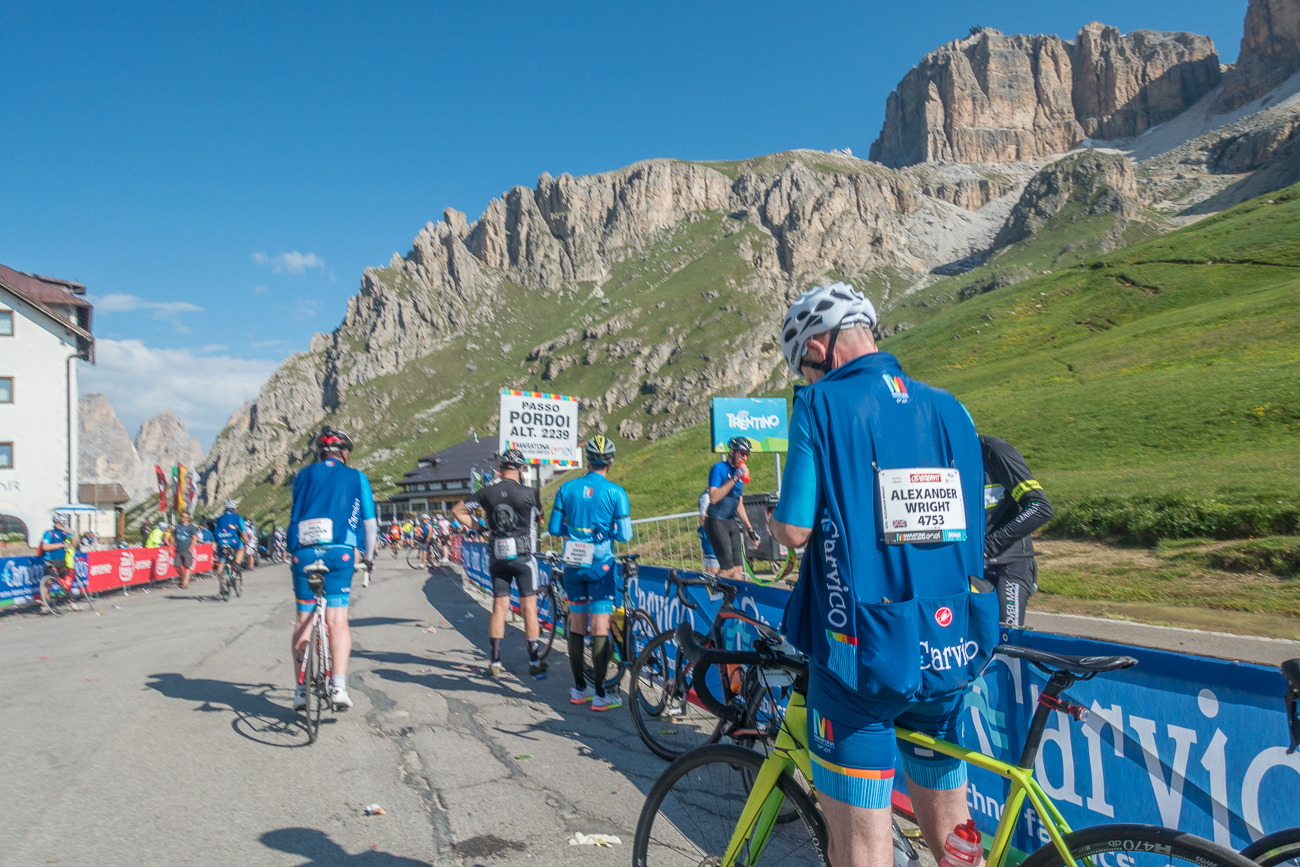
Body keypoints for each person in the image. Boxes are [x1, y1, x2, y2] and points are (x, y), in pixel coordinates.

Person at [767, 282, 995, 867]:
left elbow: (793, 531)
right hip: (948, 642)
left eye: (803, 366)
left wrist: (772, 517)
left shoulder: (818, 406)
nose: (806, 379)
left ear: (819, 345)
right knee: (952, 834)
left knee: (864, 846)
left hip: (859, 657)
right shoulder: (951, 407)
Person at [288, 426, 377, 712]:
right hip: (340, 553)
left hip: (303, 551)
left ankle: (301, 690)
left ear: (320, 452)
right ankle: (338, 686)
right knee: (337, 619)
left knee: (304, 617)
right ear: (345, 453)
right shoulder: (356, 477)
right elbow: (369, 524)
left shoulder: (302, 475)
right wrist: (369, 556)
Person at [547, 435, 633, 711]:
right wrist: (605, 531)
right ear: (610, 461)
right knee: (599, 626)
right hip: (601, 565)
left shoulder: (566, 488)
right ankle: (600, 695)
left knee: (576, 623)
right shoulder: (616, 492)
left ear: (588, 460)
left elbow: (554, 528)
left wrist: (575, 532)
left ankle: (578, 689)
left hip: (572, 562)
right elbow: (625, 534)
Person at [452, 449, 546, 677]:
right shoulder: (530, 492)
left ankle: (495, 661)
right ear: (521, 469)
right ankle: (534, 661)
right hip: (523, 556)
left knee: (499, 607)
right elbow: (540, 518)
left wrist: (481, 528)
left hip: (497, 554)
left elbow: (457, 510)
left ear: (499, 469)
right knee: (529, 608)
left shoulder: (487, 492)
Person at [980, 435, 1054, 627]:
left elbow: (1040, 507)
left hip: (1009, 565)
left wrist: (989, 546)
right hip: (967, 566)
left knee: (1007, 640)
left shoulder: (993, 451)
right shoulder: (938, 458)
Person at [704, 436, 761, 581]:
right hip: (716, 521)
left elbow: (739, 504)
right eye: (742, 453)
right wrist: (734, 478)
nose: (745, 458)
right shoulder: (719, 469)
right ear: (732, 451)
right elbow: (714, 497)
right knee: (727, 570)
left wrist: (751, 531)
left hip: (730, 521)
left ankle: (737, 601)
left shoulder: (740, 474)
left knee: (738, 570)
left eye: (747, 454)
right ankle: (710, 591)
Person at [38, 514, 75, 600]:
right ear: (56, 522)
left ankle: (70, 601)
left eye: (63, 523)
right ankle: (44, 605)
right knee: (48, 582)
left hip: (61, 561)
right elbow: (45, 547)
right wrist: (61, 545)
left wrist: (73, 533)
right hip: (50, 561)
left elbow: (73, 545)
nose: (62, 524)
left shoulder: (64, 533)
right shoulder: (49, 533)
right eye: (61, 522)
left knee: (66, 580)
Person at [214, 501, 246, 569]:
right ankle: (236, 565)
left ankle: (220, 577)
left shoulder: (219, 518)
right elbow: (243, 530)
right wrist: (245, 541)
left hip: (221, 541)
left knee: (222, 559)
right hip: (233, 539)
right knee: (241, 549)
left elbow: (215, 531)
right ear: (234, 508)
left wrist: (217, 542)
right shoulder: (238, 517)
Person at [173, 511, 199, 589]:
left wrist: (191, 547)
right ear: (180, 517)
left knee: (187, 566)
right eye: (182, 516)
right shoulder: (177, 527)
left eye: (186, 517)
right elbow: (173, 537)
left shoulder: (191, 527)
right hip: (178, 549)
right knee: (176, 566)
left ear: (188, 518)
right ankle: (182, 577)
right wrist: (170, 547)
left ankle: (185, 583)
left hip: (187, 549)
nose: (184, 518)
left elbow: (194, 538)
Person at [697, 490, 720, 575]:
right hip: (711, 534)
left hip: (719, 532)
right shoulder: (707, 496)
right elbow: (703, 519)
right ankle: (711, 587)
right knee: (712, 570)